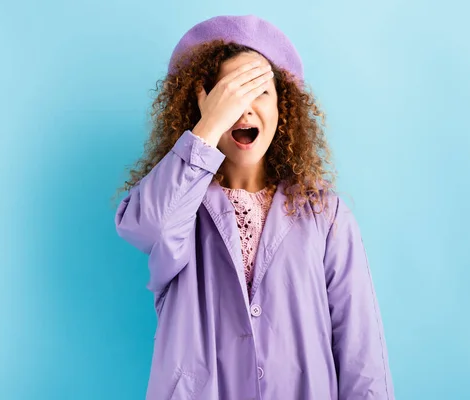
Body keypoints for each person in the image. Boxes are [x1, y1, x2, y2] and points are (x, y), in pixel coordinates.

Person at [114, 14, 395, 400]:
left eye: (259, 91)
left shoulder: (326, 216)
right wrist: (207, 130)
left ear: (284, 109)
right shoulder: (180, 206)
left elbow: (362, 355)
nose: (244, 109)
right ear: (203, 107)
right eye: (228, 95)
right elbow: (150, 228)